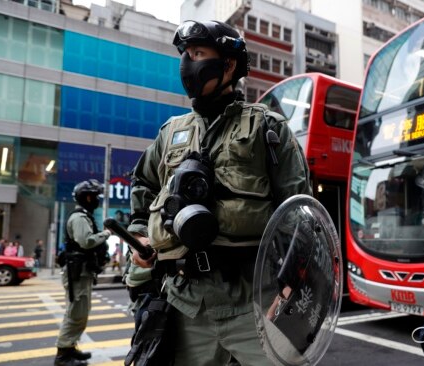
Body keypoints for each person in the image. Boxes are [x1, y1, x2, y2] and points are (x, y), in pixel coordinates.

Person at [128, 20, 311, 365]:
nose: (187, 63)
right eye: (185, 55)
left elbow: (298, 215)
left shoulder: (267, 128)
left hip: (253, 300)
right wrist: (140, 236)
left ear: (228, 65)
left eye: (198, 53)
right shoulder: (170, 133)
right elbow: (143, 184)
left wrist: (289, 287)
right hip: (186, 301)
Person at [54, 179, 111, 366]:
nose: (97, 200)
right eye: (95, 196)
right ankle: (63, 355)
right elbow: (86, 241)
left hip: (82, 272)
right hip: (76, 273)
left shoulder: (84, 216)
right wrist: (106, 234)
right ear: (87, 197)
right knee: (75, 313)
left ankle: (70, 348)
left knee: (80, 312)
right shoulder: (79, 218)